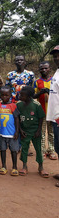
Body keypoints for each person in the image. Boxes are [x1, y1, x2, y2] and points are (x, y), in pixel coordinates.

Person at [17, 86, 48, 177]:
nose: (20, 96)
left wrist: (39, 130)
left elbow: (41, 118)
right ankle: (24, 166)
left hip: (35, 131)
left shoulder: (36, 105)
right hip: (25, 131)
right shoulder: (19, 104)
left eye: (22, 95)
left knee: (38, 149)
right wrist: (20, 130)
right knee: (24, 149)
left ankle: (41, 167)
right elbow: (17, 119)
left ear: (29, 96)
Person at [33, 61, 56, 160]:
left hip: (53, 111)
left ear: (50, 69)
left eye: (46, 68)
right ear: (39, 69)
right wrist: (40, 93)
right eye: (41, 68)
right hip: (41, 111)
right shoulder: (37, 82)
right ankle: (42, 151)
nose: (44, 70)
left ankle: (51, 150)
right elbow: (33, 95)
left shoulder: (54, 80)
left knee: (51, 132)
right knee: (41, 132)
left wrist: (50, 92)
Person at [0, 86, 20, 176]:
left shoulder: (13, 106)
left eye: (7, 95)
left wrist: (17, 131)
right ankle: (3, 166)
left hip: (11, 134)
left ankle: (14, 167)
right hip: (2, 133)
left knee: (13, 151)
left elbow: (17, 119)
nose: (4, 97)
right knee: (3, 150)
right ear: (0, 96)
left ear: (10, 95)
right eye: (2, 95)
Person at [47, 45, 59, 186]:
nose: (56, 58)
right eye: (55, 56)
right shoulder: (57, 72)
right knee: (57, 146)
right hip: (56, 117)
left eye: (58, 55)